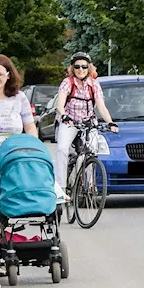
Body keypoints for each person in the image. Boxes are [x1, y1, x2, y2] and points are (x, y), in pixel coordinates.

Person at [53, 52, 117, 194]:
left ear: (89, 68)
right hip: (70, 121)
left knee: (92, 150)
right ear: (72, 69)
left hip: (88, 122)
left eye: (84, 66)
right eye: (77, 67)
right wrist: (64, 116)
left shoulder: (94, 84)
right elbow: (60, 105)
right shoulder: (67, 83)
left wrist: (111, 122)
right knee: (62, 149)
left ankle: (89, 184)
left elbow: (101, 106)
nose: (81, 70)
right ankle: (61, 186)